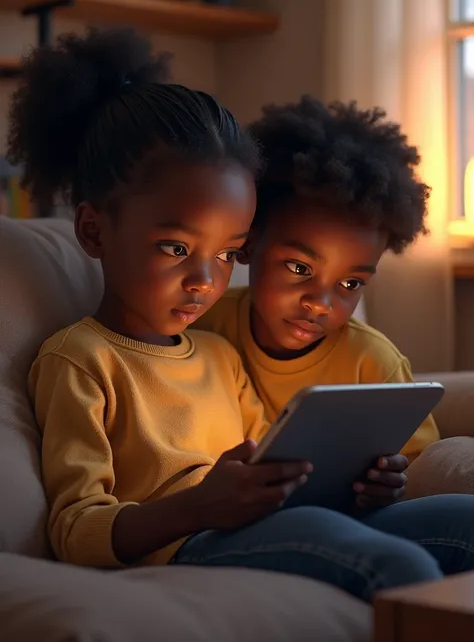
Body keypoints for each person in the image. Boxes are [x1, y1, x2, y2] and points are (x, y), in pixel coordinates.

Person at [11, 30, 474, 604]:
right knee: (395, 566)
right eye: (176, 249)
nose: (206, 279)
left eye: (228, 253)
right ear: (92, 231)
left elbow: (280, 476)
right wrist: (201, 504)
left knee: (464, 519)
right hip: (189, 542)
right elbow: (75, 530)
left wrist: (359, 490)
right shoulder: (79, 360)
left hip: (264, 524)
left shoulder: (218, 354)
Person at [194, 96, 439, 510]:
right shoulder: (202, 326)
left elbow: (417, 463)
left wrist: (392, 481)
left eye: (350, 282)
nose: (321, 303)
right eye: (299, 268)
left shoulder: (373, 361)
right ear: (248, 244)